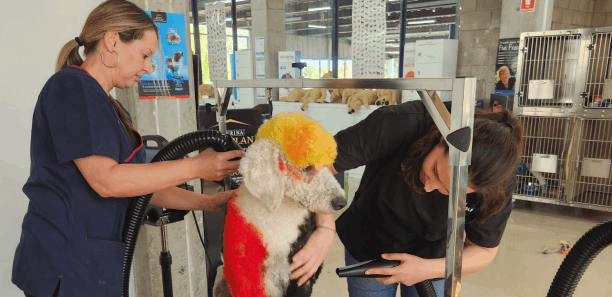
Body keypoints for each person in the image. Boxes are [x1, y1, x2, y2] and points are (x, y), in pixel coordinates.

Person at [11, 1, 244, 297]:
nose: (147, 67)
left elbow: (140, 185)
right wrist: (197, 167)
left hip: (93, 263)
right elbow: (106, 180)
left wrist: (210, 203)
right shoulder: (71, 87)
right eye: (144, 55)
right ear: (112, 42)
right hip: (66, 262)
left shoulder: (111, 107)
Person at [289, 100, 523, 297]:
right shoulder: (400, 122)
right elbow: (313, 167)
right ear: (442, 139)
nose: (430, 186)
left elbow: (484, 250)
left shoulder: (496, 182)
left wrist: (428, 269)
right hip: (370, 242)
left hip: (435, 258)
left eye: (448, 191)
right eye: (433, 171)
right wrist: (324, 226)